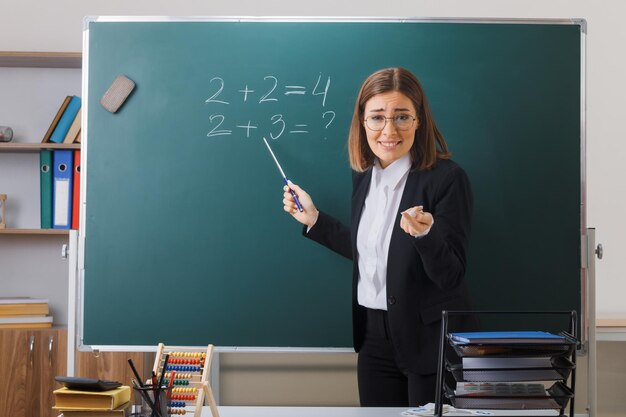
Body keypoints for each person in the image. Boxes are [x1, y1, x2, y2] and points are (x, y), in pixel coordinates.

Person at [282, 67, 478, 407]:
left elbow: (451, 274)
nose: (389, 130)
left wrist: (426, 234)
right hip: (373, 340)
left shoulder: (447, 179)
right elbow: (374, 250)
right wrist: (314, 220)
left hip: (429, 340)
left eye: (402, 116)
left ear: (419, 120)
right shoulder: (364, 176)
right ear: (362, 122)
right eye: (377, 117)